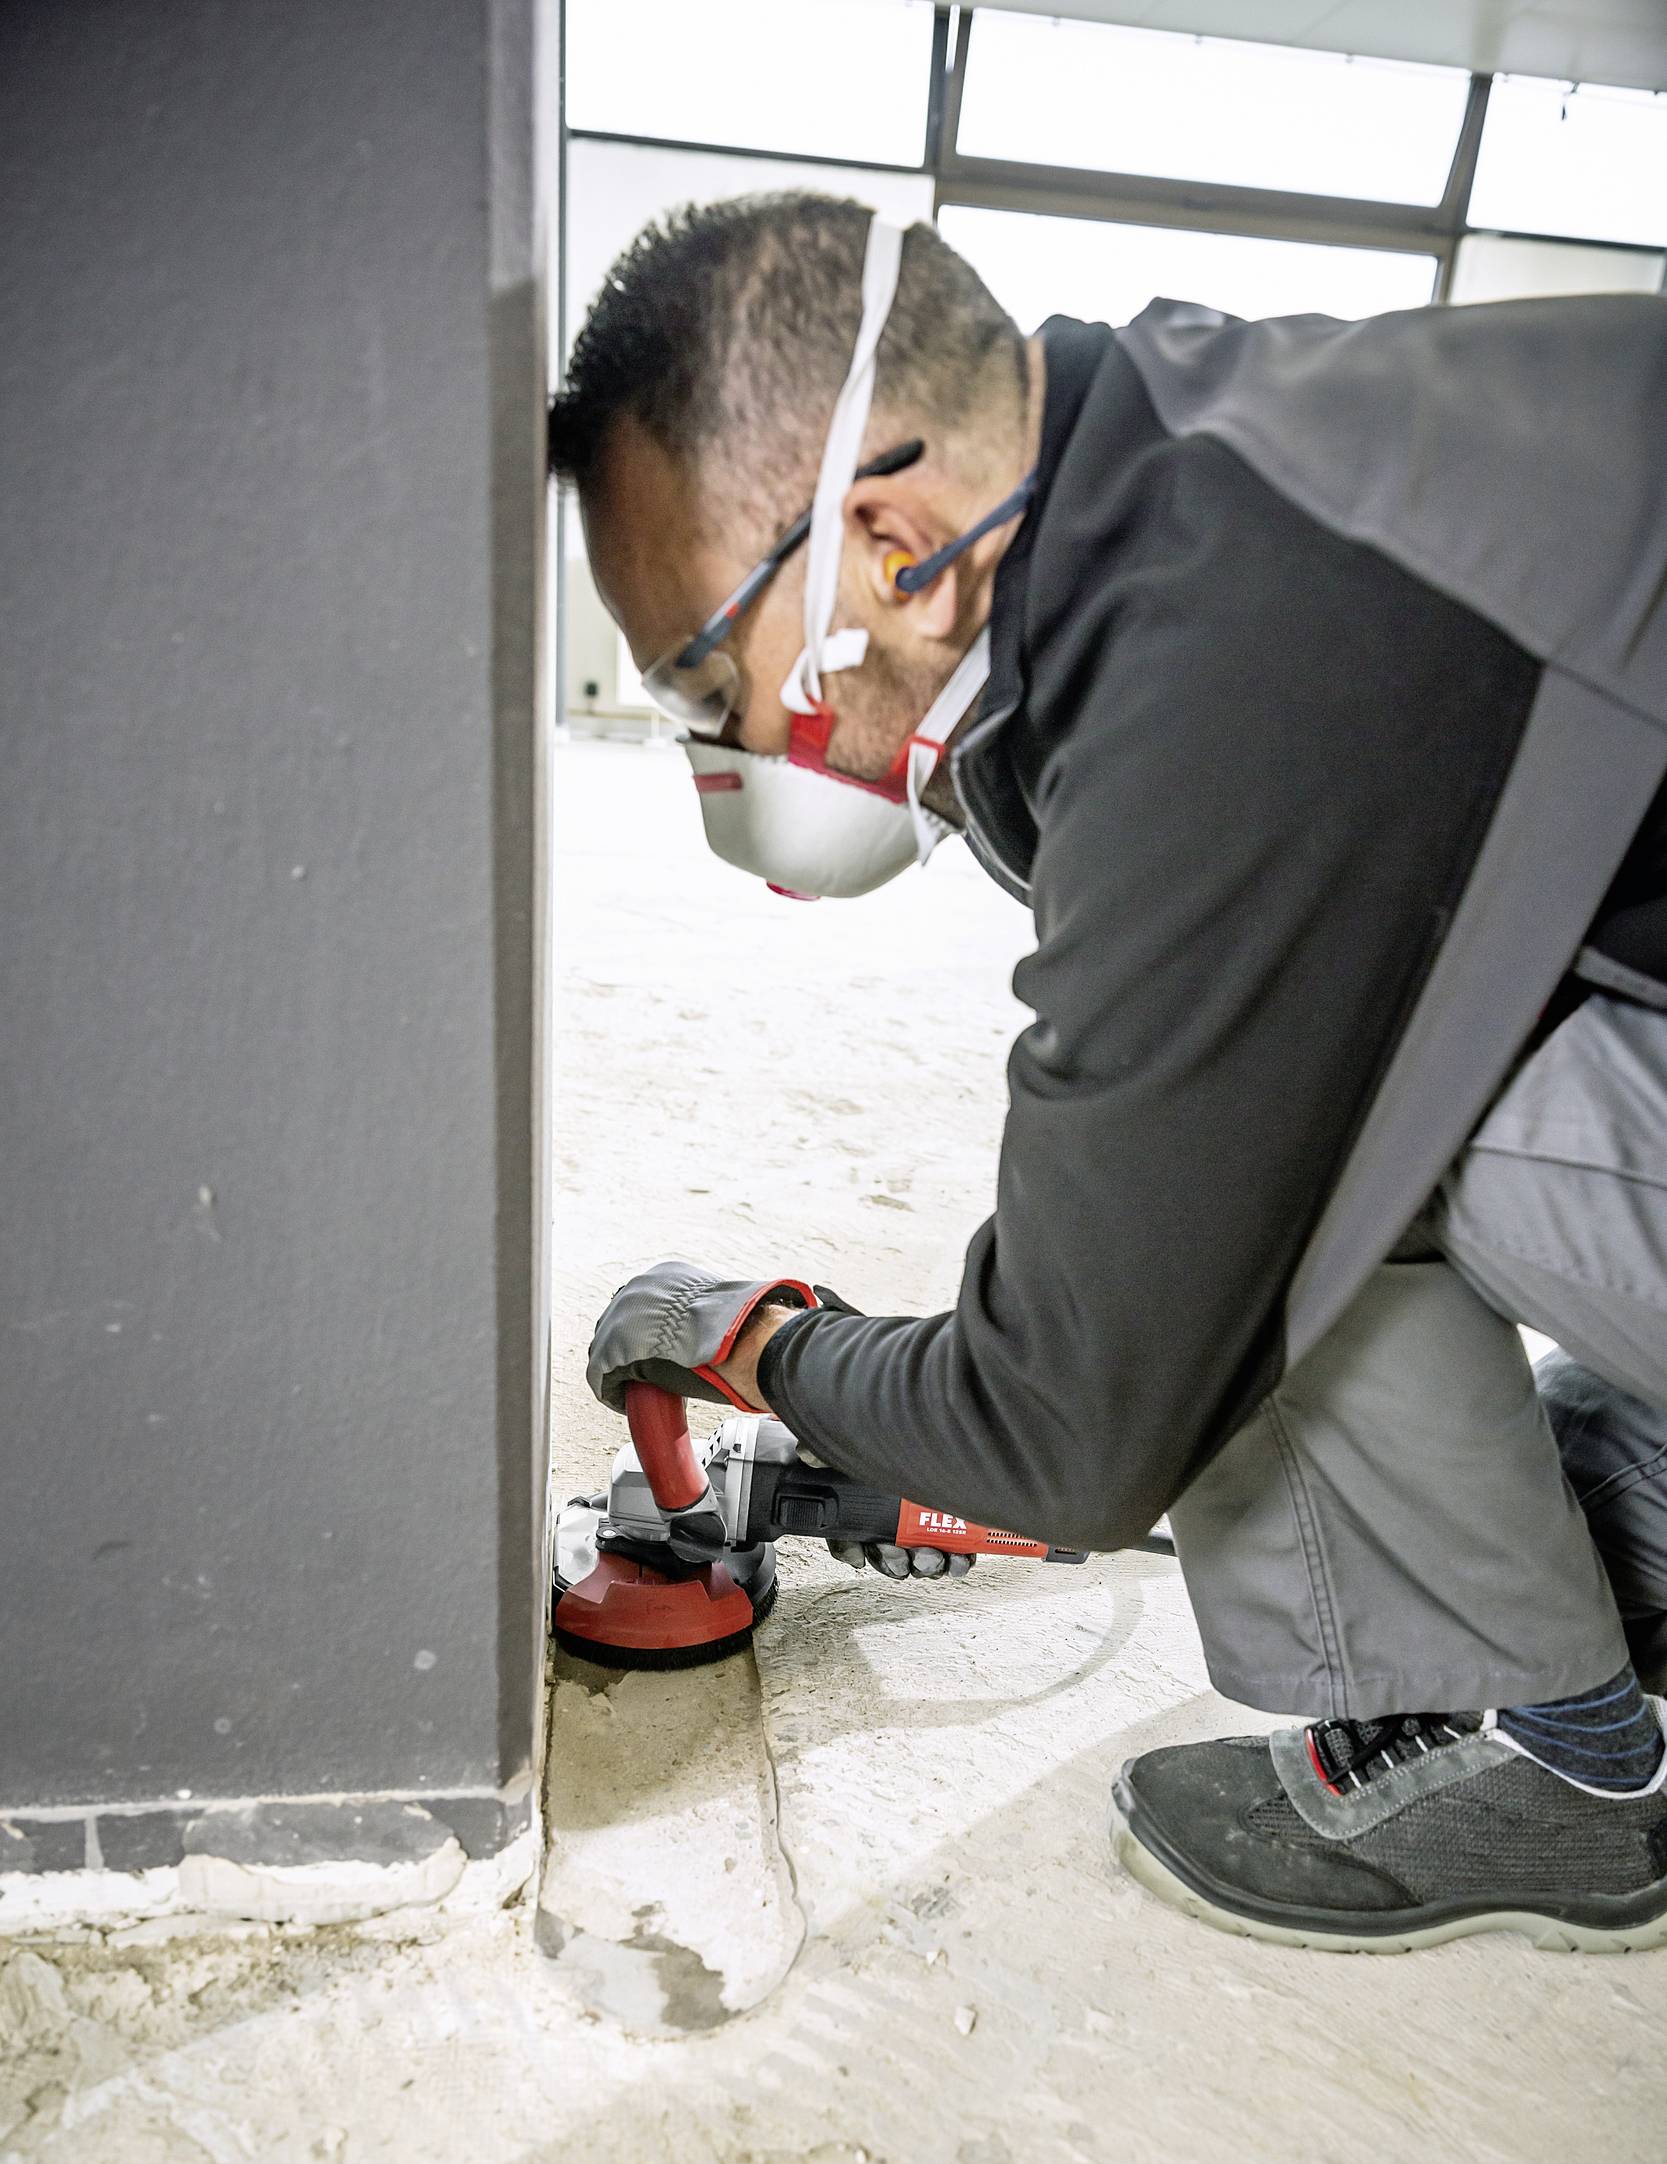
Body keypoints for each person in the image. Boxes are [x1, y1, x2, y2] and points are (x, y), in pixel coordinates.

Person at [550, 192, 1667, 1953]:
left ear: (893, 541)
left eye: (711, 682)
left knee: (1308, 1139)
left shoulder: (1238, 656)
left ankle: (1570, 1763)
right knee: (1350, 1065)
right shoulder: (1176, 467)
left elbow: (1069, 1425)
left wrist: (763, 1340)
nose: (724, 753)